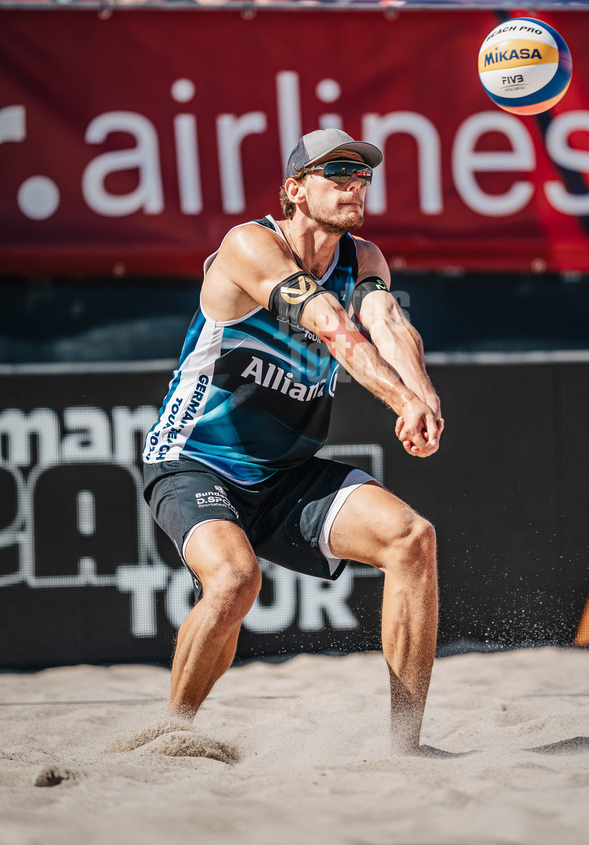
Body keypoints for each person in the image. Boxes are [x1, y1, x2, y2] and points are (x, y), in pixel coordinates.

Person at [142, 128, 444, 755]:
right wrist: (399, 400)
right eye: (337, 174)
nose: (355, 185)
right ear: (294, 190)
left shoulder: (363, 258)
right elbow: (333, 327)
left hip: (286, 470)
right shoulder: (250, 246)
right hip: (196, 460)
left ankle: (405, 747)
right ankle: (172, 734)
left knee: (411, 540)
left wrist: (423, 395)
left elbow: (388, 324)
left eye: (362, 176)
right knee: (233, 581)